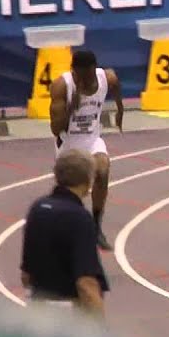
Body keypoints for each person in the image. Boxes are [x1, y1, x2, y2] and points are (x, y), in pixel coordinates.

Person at [48, 49, 123, 250]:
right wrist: (72, 107)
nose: (86, 81)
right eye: (81, 76)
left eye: (89, 76)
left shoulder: (106, 77)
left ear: (94, 69)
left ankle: (96, 226)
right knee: (72, 193)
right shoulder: (62, 86)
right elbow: (55, 129)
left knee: (103, 170)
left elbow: (116, 86)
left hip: (92, 139)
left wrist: (120, 111)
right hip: (69, 144)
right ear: (74, 71)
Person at [20, 150, 108, 318]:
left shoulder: (37, 209)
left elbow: (26, 275)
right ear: (87, 181)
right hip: (68, 316)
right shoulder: (80, 218)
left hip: (36, 309)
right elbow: (86, 283)